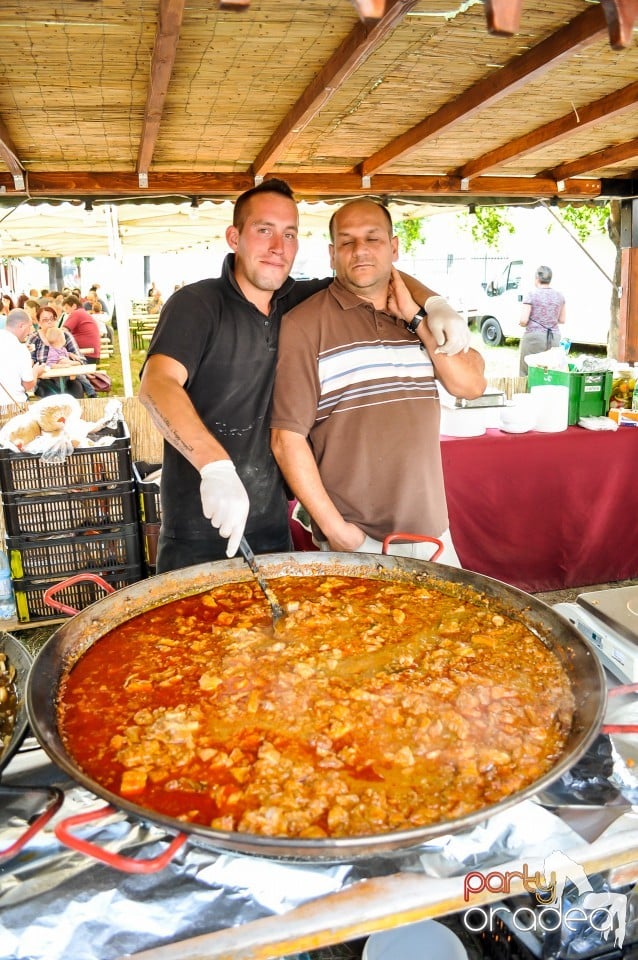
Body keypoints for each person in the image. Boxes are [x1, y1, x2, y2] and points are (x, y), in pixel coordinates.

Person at [139, 178, 471, 573]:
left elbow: (375, 272)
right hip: (199, 525)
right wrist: (215, 466)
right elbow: (157, 385)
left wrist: (435, 303)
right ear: (235, 237)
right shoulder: (197, 303)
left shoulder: (298, 300)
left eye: (290, 234)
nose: (278, 247)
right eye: (264, 231)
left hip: (272, 524)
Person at [270, 198, 486, 566]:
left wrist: (421, 316)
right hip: (359, 540)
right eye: (347, 241)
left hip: (432, 533)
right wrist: (336, 531)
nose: (360, 251)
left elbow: (471, 386)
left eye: (373, 238)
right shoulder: (304, 325)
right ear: (331, 253)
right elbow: (285, 440)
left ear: (395, 247)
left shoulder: (418, 319)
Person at [30, 304, 90, 398]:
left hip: (68, 378)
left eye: (52, 319)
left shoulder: (64, 335)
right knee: (53, 395)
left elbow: (81, 360)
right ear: (39, 323)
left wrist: (71, 362)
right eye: (45, 320)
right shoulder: (34, 338)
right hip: (44, 379)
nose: (50, 322)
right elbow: (29, 360)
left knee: (76, 390)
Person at [518, 265, 566, 376]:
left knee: (527, 371)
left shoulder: (531, 294)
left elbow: (524, 320)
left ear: (537, 278)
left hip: (534, 338)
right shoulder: (560, 296)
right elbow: (562, 319)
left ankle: (528, 392)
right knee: (549, 371)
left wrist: (520, 323)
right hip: (554, 337)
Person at [0, 308, 45, 406]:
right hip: (12, 406)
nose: (29, 333)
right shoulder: (20, 349)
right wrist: (36, 371)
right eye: (29, 327)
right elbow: (27, 384)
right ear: (22, 326)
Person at [62, 294, 101, 360]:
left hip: (86, 355)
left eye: (67, 308)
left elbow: (63, 332)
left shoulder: (76, 313)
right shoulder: (82, 312)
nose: (66, 312)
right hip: (92, 354)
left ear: (74, 306)